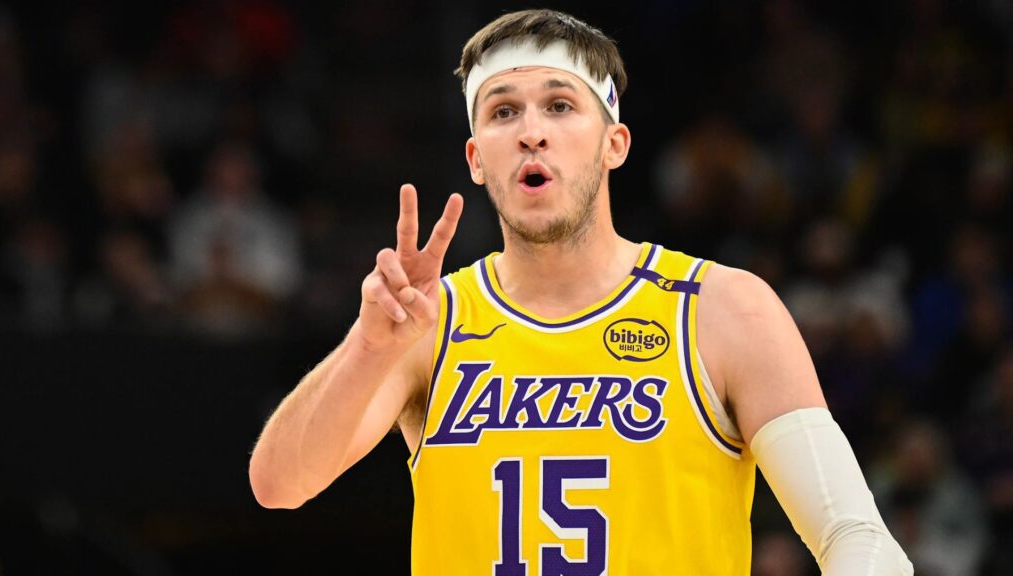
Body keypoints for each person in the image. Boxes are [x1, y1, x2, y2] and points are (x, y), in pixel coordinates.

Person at [249, 9, 913, 575]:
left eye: (560, 105)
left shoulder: (721, 309)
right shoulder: (431, 320)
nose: (530, 131)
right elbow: (279, 485)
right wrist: (367, 347)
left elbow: (854, 534)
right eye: (503, 111)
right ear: (478, 158)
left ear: (614, 144)